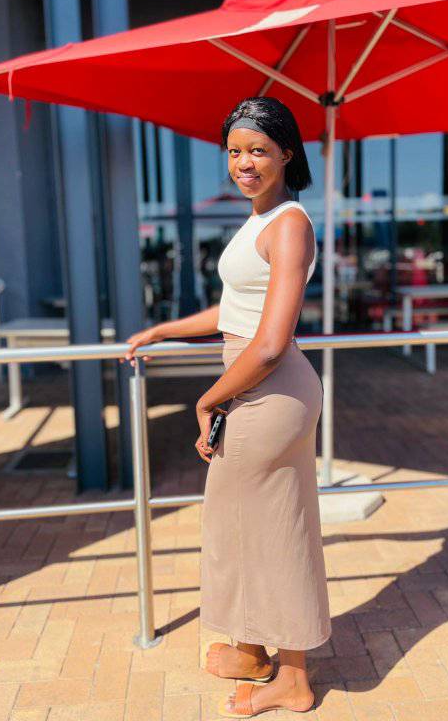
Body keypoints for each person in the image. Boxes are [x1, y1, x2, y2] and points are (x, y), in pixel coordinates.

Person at [125, 96, 331, 718]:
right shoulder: (259, 219)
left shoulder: (290, 224)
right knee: (244, 526)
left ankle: (292, 679)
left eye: (259, 151)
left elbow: (269, 342)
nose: (244, 162)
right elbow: (235, 310)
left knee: (275, 532)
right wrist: (164, 329)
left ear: (286, 154)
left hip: (268, 388)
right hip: (254, 384)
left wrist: (208, 399)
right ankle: (252, 650)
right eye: (235, 150)